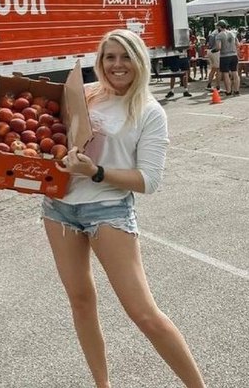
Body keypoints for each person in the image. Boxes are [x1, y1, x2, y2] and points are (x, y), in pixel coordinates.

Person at [41, 29, 206, 388]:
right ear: (99, 62)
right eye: (109, 57)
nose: (117, 64)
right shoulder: (84, 94)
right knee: (81, 303)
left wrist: (95, 172)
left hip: (108, 211)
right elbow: (51, 139)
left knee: (144, 314)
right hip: (59, 208)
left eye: (125, 56)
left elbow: (148, 181)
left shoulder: (149, 111)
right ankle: (103, 385)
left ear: (139, 61)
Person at [216, 19, 240, 96]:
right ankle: (236, 90)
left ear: (219, 27)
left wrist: (214, 50)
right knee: (235, 73)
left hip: (224, 56)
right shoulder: (233, 33)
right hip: (234, 55)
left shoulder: (219, 35)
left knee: (225, 74)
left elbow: (218, 47)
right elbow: (238, 44)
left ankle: (229, 91)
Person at [205, 27, 221, 91]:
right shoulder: (218, 34)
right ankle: (218, 86)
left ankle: (209, 84)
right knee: (218, 70)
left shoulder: (212, 33)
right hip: (215, 51)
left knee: (213, 69)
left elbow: (207, 43)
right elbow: (218, 46)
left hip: (209, 51)